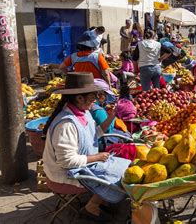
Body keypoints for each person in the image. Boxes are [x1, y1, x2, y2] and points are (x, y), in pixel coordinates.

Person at [42, 73, 130, 222]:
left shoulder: (84, 113)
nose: (95, 101)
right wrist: (97, 157)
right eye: (92, 97)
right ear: (79, 98)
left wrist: (111, 116)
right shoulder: (66, 124)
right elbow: (66, 162)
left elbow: (95, 134)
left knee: (127, 167)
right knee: (121, 176)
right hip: (65, 174)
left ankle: (102, 202)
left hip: (84, 165)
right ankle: (92, 207)